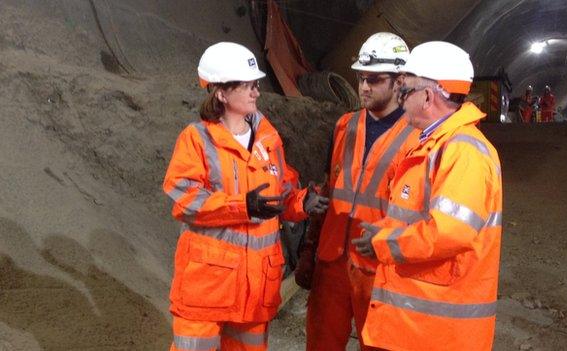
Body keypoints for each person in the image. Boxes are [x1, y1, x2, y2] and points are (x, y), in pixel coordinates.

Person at [163, 42, 328, 351]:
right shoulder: (197, 140)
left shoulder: (268, 138)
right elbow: (185, 199)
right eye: (247, 85)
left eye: (255, 84)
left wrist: (300, 203)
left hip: (255, 289)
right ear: (221, 93)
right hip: (209, 286)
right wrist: (242, 206)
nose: (256, 92)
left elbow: (281, 191)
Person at [352, 41, 503, 351]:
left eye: (404, 90)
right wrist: (387, 230)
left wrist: (383, 244)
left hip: (438, 332)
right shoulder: (432, 144)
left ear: (428, 96)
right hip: (416, 325)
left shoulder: (462, 152)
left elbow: (449, 232)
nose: (399, 99)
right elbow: (419, 217)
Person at [298, 32, 420, 351]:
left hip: (379, 268)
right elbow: (328, 188)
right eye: (361, 78)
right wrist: (309, 250)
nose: (364, 87)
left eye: (374, 79)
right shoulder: (345, 126)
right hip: (331, 262)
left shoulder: (418, 138)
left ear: (400, 81)